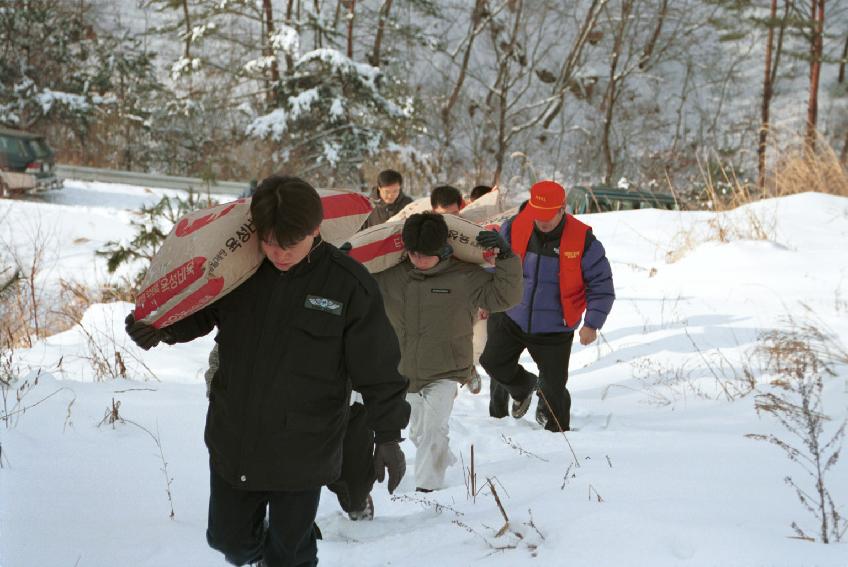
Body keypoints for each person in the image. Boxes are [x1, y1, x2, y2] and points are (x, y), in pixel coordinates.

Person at [125, 175, 411, 567]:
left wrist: (389, 435)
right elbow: (202, 312)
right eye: (269, 241)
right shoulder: (239, 271)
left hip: (304, 446)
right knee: (230, 542)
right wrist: (162, 328)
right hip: (236, 435)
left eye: (289, 243)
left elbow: (377, 366)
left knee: (289, 557)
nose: (278, 253)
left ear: (315, 229)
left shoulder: (349, 284)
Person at [373, 212, 522, 491]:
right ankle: (441, 456)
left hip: (447, 368)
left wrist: (506, 257)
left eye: (425, 254)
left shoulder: (465, 276)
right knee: (419, 432)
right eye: (413, 253)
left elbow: (506, 296)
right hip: (403, 369)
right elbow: (357, 287)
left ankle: (427, 489)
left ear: (442, 249)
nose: (418, 259)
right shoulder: (390, 276)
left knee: (432, 430)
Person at [480, 180, 614, 432]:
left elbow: (602, 285)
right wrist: (488, 298)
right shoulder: (516, 226)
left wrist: (592, 324)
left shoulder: (583, 240)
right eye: (537, 214)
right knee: (492, 361)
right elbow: (495, 264)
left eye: (548, 216)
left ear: (562, 208)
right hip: (512, 315)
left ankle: (559, 437)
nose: (541, 221)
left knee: (554, 389)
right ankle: (527, 386)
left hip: (555, 326)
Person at [204, 344, 378, 522]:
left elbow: (376, 348)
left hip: (349, 403)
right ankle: (281, 527)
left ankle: (357, 503)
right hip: (288, 410)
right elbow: (226, 348)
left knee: (354, 485)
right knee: (280, 475)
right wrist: (217, 392)